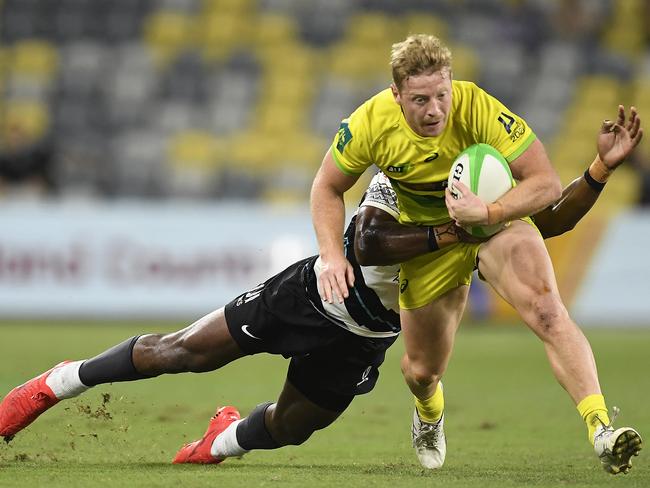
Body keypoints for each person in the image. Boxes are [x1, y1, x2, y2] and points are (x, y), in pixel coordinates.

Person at [0, 113, 641, 469]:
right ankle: (58, 382)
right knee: (183, 352)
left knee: (287, 429)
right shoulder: (407, 185)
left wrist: (596, 173)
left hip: (364, 339)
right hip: (314, 296)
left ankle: (215, 442)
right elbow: (367, 245)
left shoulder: (484, 210)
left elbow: (550, 217)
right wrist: (453, 231)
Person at [309, 33, 643, 474]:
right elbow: (327, 187)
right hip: (433, 242)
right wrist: (332, 255)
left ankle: (601, 429)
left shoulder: (478, 107)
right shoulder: (371, 122)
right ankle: (429, 412)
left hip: (495, 226)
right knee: (422, 371)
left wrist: (490, 210)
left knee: (547, 310)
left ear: (452, 84)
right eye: (420, 99)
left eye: (442, 95)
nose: (434, 110)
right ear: (397, 94)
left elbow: (544, 184)